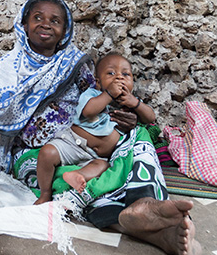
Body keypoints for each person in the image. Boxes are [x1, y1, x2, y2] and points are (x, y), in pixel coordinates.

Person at [0, 0, 201, 255]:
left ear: (65, 30)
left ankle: (146, 200)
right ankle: (157, 231)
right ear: (23, 23)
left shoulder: (77, 64)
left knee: (137, 140)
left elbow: (100, 98)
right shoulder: (9, 67)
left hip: (90, 139)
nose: (46, 24)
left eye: (55, 20)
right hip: (37, 153)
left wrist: (125, 117)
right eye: (37, 18)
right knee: (70, 185)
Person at [34, 52, 156, 205]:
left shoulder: (131, 103)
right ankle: (45, 193)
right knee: (47, 153)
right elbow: (88, 111)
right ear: (98, 83)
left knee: (102, 167)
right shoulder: (93, 94)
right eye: (111, 73)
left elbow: (150, 118)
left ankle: (77, 176)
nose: (119, 77)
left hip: (96, 157)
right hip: (72, 143)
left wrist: (136, 104)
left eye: (126, 74)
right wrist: (109, 94)